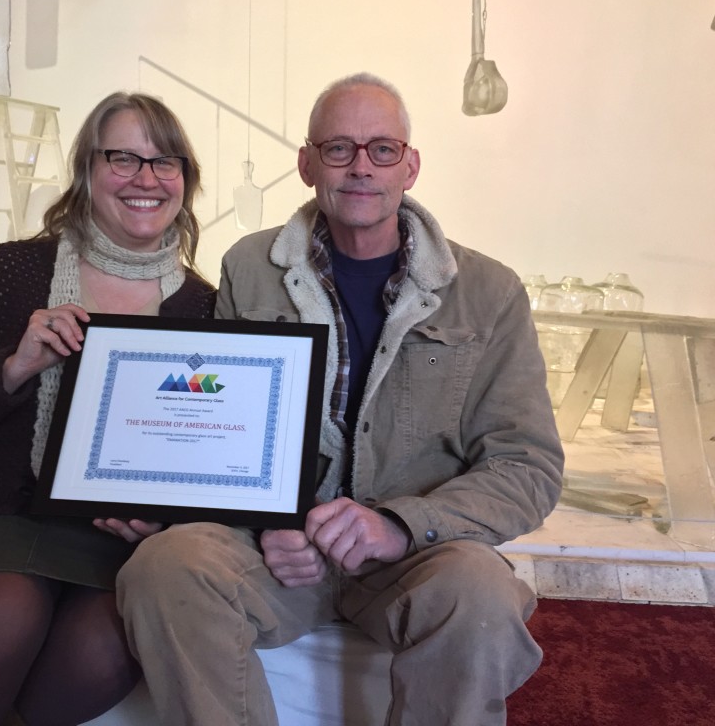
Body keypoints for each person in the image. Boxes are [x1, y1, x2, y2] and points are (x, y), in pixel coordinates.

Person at [116, 73, 565, 725]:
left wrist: (399, 526)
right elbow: (224, 430)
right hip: (285, 556)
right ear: (306, 164)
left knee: (482, 589)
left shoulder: (489, 292)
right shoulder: (249, 267)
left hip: (420, 555)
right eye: (338, 149)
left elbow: (527, 465)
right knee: (164, 566)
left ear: (410, 166)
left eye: (382, 149)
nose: (361, 167)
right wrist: (274, 523)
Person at [0, 91, 215, 726]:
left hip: (118, 544)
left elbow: (206, 454)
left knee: (111, 646)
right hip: (3, 518)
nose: (146, 179)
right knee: (2, 615)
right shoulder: (11, 271)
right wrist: (13, 366)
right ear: (86, 169)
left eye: (167, 162)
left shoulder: (206, 307)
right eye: (123, 158)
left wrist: (160, 519)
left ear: (185, 180)